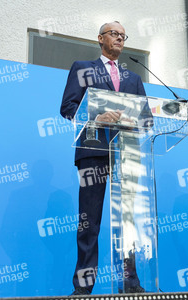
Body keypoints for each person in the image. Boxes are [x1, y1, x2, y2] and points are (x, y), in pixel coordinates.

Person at [60, 21, 146, 295]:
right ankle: (83, 288)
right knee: (90, 221)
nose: (120, 38)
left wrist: (137, 121)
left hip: (126, 153)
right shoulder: (83, 68)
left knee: (129, 222)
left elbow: (146, 117)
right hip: (94, 150)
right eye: (114, 34)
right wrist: (96, 117)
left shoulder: (133, 78)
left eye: (123, 35)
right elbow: (68, 107)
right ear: (100, 39)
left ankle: (130, 283)